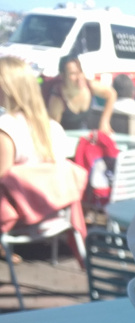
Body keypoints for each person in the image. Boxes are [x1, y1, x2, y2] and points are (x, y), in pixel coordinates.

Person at [0, 56, 79, 261]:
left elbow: (2, 182)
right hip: (54, 214)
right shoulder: (54, 128)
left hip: (20, 219)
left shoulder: (6, 129)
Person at [47, 55, 116, 134]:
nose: (79, 77)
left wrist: (104, 122)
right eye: (73, 74)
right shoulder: (58, 100)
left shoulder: (89, 86)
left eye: (80, 72)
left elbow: (111, 94)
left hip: (85, 136)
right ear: (63, 76)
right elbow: (53, 131)